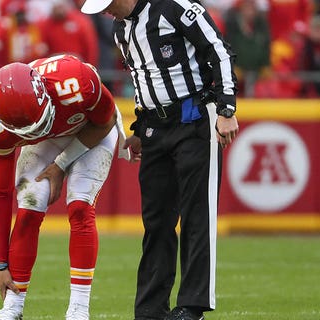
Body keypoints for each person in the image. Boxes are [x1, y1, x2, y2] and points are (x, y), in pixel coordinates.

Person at [81, 1, 239, 320]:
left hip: (194, 118)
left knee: (197, 215)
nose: (105, 12)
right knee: (156, 221)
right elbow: (142, 77)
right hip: (154, 127)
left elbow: (218, 50)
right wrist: (139, 128)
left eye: (108, 5)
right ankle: (151, 308)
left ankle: (192, 306)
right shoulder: (120, 28)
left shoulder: (174, 6)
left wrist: (226, 109)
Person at [0, 54, 128, 319]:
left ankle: (78, 309)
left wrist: (60, 166)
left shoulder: (76, 80)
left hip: (89, 129)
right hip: (50, 138)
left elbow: (104, 122)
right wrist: (1, 263)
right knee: (29, 206)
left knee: (80, 206)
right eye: (26, 132)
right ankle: (13, 305)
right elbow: (0, 194)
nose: (32, 133)